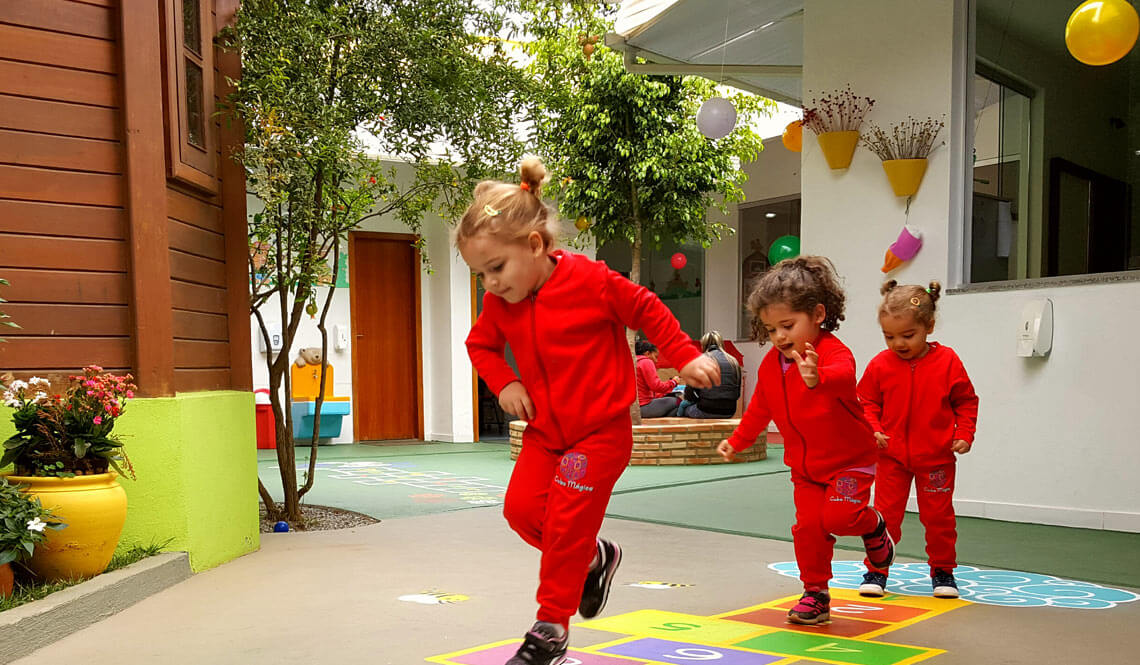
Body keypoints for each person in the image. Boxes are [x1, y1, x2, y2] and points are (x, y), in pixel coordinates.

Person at [458, 157, 721, 665]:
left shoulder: (591, 281)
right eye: (479, 273)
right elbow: (481, 346)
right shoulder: (501, 304)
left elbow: (645, 306)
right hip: (544, 432)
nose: (489, 283)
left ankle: (550, 629)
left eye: (496, 268)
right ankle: (596, 557)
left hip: (599, 433)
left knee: (566, 524)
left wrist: (685, 354)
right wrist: (505, 381)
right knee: (521, 511)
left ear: (535, 246)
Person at [715, 256, 894, 626]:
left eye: (787, 325)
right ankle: (816, 594)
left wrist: (818, 377)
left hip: (848, 461)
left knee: (841, 518)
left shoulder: (831, 352)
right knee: (808, 528)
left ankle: (873, 525)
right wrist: (738, 440)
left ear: (817, 314)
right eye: (770, 329)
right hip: (805, 468)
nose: (779, 336)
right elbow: (759, 408)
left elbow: (844, 376)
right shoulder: (770, 365)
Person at [856, 280, 979, 599]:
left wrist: (964, 434)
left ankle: (943, 571)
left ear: (929, 326)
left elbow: (965, 401)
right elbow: (865, 401)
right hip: (891, 457)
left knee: (939, 517)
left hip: (936, 457)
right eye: (889, 336)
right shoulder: (880, 365)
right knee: (884, 516)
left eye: (907, 335)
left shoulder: (947, 361)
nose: (898, 343)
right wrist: (873, 428)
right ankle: (876, 570)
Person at [677, 330, 742, 418]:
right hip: (729, 411)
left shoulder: (701, 360)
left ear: (703, 345)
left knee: (683, 408)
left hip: (706, 409)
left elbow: (689, 393)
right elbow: (737, 393)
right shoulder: (733, 361)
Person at [635, 340, 682, 418]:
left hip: (631, 408)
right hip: (642, 407)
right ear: (647, 353)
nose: (656, 361)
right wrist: (673, 382)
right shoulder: (646, 362)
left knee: (675, 408)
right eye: (655, 357)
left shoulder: (631, 361)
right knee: (678, 401)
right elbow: (656, 386)